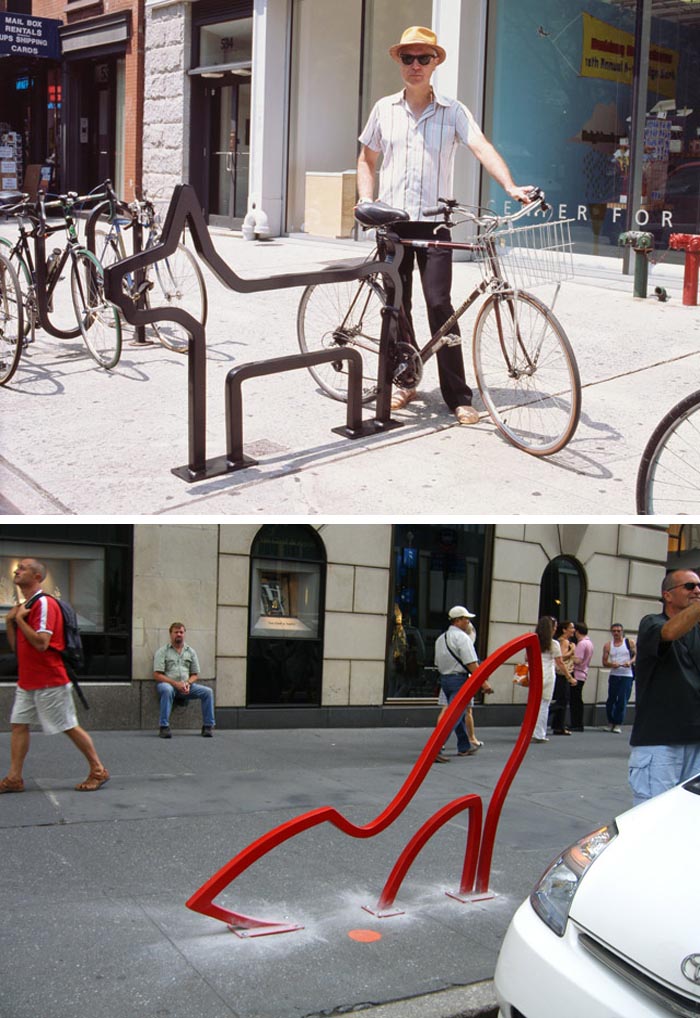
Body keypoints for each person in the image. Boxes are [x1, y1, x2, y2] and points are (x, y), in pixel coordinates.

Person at [356, 25, 533, 425]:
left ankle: (458, 396)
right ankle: (404, 382)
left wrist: (509, 185)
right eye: (408, 58)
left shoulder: (453, 111)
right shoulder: (384, 109)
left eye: (424, 58)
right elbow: (366, 159)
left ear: (435, 62)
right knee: (397, 306)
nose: (415, 65)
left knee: (441, 307)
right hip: (393, 224)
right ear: (399, 62)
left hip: (435, 226)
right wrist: (366, 200)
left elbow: (481, 146)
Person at [0, 558, 109, 793]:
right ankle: (14, 778)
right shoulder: (25, 606)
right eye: (18, 567)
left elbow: (41, 643)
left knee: (68, 725)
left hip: (50, 679)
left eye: (24, 568)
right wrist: (11, 623)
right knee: (19, 725)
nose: (17, 570)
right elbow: (19, 649)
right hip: (28, 680)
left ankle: (98, 770)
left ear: (37, 577)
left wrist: (19, 619)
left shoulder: (44, 604)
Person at [629, 569, 700, 805]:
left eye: (699, 586)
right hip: (659, 744)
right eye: (689, 586)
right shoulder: (652, 623)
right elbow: (669, 632)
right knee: (653, 817)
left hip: (695, 741)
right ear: (667, 595)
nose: (697, 590)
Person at [433, 615, 491, 761]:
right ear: (457, 620)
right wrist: (483, 683)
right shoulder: (462, 638)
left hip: (445, 679)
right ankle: (436, 749)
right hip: (459, 679)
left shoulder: (441, 639)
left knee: (457, 712)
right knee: (454, 715)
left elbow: (437, 662)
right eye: (466, 619)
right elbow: (471, 663)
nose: (468, 622)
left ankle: (464, 746)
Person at [153, 622, 215, 738]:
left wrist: (187, 683)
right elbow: (157, 675)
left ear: (184, 634)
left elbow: (195, 674)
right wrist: (176, 684)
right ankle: (164, 727)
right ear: (170, 634)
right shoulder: (162, 651)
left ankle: (208, 726)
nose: (179, 634)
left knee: (208, 692)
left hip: (186, 686)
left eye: (181, 632)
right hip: (169, 685)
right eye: (176, 632)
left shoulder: (190, 652)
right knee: (166, 689)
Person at [513, 616, 569, 743]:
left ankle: (529, 730)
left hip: (534, 673)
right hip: (548, 673)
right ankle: (539, 733)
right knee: (544, 704)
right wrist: (569, 676)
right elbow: (560, 662)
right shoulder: (553, 644)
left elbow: (527, 658)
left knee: (533, 703)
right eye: (554, 628)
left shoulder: (533, 640)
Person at [602, 623, 636, 733]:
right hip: (614, 674)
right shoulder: (608, 645)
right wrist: (612, 664)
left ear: (622, 632)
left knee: (622, 699)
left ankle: (618, 723)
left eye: (618, 631)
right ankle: (610, 721)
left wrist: (629, 662)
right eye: (614, 631)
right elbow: (604, 662)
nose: (616, 633)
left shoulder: (629, 643)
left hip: (627, 675)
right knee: (611, 699)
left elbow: (636, 655)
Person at [550, 621, 577, 735]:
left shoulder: (561, 641)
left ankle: (558, 726)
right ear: (564, 630)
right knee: (562, 700)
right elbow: (561, 657)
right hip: (563, 673)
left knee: (562, 700)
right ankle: (551, 720)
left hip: (561, 673)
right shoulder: (565, 642)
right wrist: (572, 651)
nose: (573, 630)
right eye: (571, 628)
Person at [570, 622, 594, 732]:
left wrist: (570, 655)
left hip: (577, 672)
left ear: (577, 632)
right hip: (583, 673)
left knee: (575, 700)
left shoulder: (582, 644)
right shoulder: (589, 643)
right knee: (577, 699)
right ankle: (578, 723)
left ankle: (576, 723)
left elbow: (578, 660)